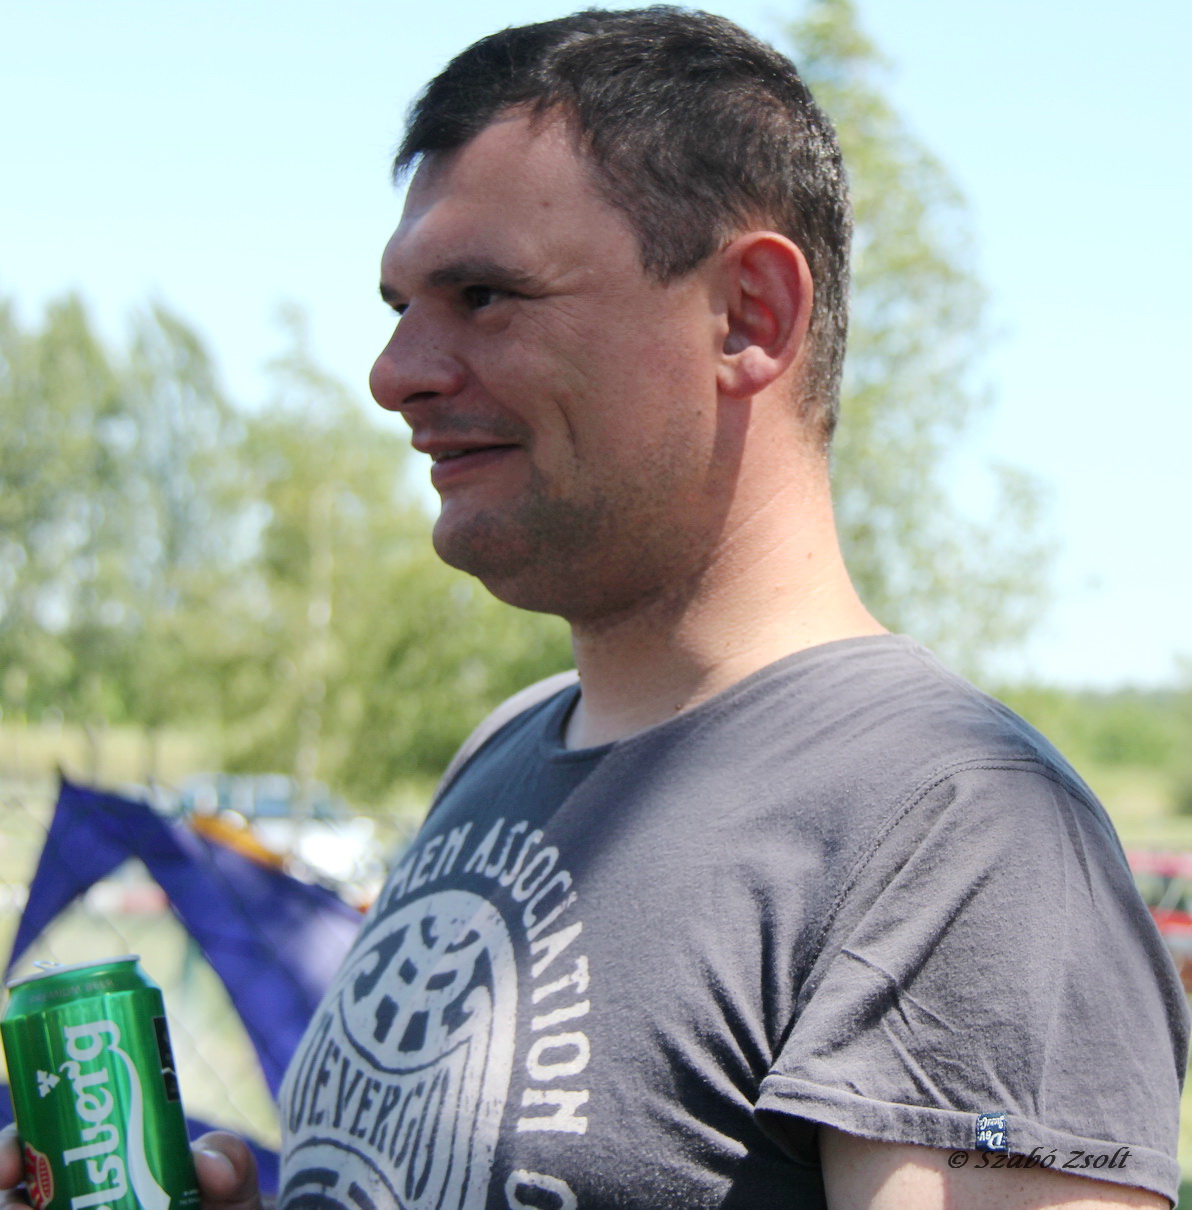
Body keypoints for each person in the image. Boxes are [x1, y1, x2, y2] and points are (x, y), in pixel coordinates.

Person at [2, 7, 1185, 1209]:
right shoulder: (503, 754)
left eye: (483, 294)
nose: (394, 374)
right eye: (399, 307)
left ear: (747, 316)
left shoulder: (960, 832)